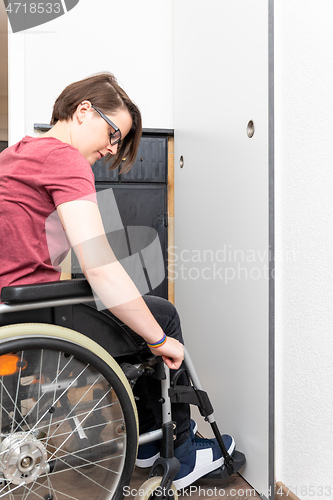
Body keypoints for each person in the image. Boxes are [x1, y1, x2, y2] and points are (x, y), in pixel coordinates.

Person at [0, 72, 235, 490]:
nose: (111, 148)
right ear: (83, 110)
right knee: (161, 315)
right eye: (113, 134)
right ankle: (181, 452)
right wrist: (161, 341)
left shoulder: (15, 154)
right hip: (37, 309)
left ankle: (146, 446)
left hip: (10, 309)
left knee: (135, 310)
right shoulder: (64, 158)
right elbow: (100, 267)